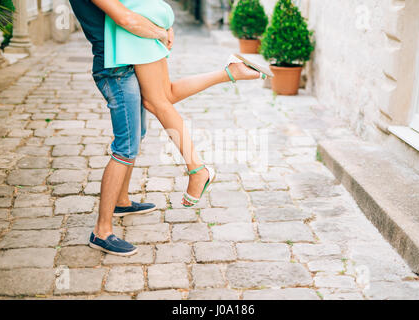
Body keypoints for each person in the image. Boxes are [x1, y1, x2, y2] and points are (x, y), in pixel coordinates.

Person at [69, 0, 271, 256]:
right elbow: (126, 19)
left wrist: (163, 26)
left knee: (158, 105)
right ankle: (102, 231)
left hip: (129, 53)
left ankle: (122, 202)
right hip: (115, 66)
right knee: (127, 145)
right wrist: (161, 31)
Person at [103, 0, 273, 208]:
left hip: (137, 20)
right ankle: (231, 72)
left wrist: (161, 28)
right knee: (166, 94)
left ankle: (197, 169)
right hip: (144, 14)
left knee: (157, 102)